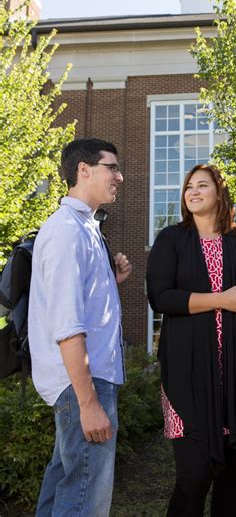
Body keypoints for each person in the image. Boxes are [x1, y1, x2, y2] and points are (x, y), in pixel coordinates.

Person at [147, 163, 236, 517]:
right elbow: (160, 298)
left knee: (232, 477)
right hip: (188, 372)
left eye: (202, 185)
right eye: (189, 186)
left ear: (220, 192)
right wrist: (222, 299)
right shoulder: (171, 239)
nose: (193, 191)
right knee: (193, 478)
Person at [28, 138, 132, 517]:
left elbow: (80, 305)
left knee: (64, 491)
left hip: (85, 384)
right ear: (83, 170)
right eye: (112, 167)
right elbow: (67, 325)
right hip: (83, 385)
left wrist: (111, 281)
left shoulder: (85, 227)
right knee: (84, 503)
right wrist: (89, 404)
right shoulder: (67, 231)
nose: (120, 176)